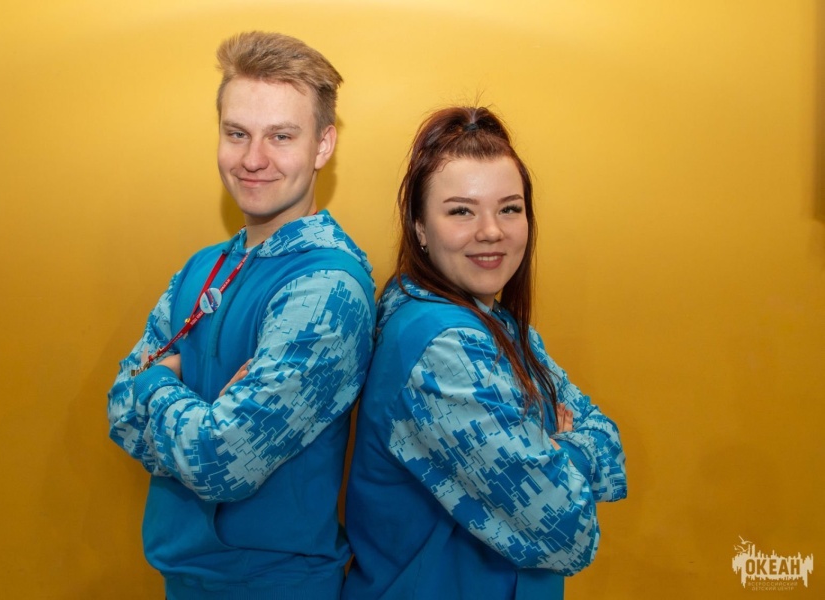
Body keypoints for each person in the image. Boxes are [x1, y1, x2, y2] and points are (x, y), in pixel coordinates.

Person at [107, 31, 376, 600]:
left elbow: (219, 462)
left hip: (273, 585)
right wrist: (195, 416)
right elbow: (117, 412)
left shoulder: (327, 287)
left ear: (323, 145)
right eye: (237, 134)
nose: (253, 159)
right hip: (185, 579)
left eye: (281, 136)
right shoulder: (205, 266)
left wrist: (156, 383)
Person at [342, 106, 627, 600]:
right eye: (461, 211)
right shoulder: (443, 349)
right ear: (420, 228)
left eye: (509, 209)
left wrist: (554, 456)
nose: (491, 230)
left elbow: (611, 439)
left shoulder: (497, 323)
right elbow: (566, 531)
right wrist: (569, 449)